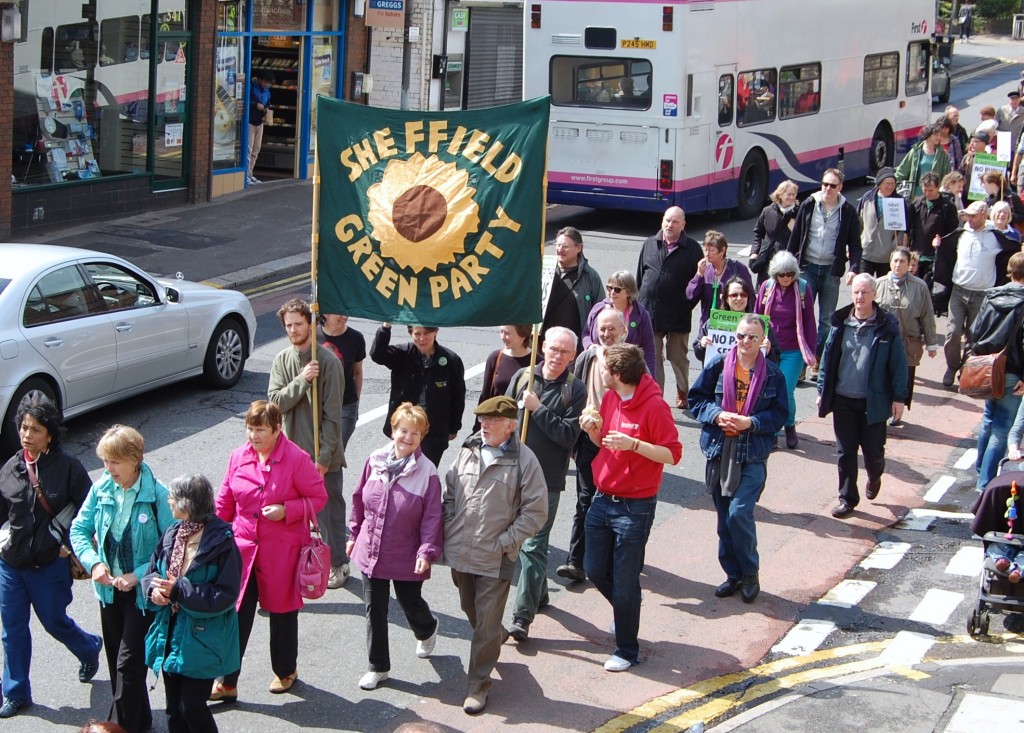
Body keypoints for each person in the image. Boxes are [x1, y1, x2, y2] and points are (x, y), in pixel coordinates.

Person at [212, 400, 327, 701]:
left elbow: (319, 497)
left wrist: (287, 510)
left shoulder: (297, 459)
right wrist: (212, 537)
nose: (253, 436)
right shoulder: (238, 456)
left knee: (282, 613)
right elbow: (225, 501)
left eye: (260, 430)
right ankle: (227, 682)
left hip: (282, 551)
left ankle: (286, 671)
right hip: (242, 550)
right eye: (250, 429)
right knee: (236, 615)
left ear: (277, 429)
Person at [579, 344, 682, 672]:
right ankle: (627, 607)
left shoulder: (654, 407)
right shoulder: (611, 398)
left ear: (619, 374)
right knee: (594, 569)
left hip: (635, 507)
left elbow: (673, 454)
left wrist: (635, 444)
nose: (601, 372)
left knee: (625, 580)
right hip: (603, 498)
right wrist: (593, 431)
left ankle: (627, 650)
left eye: (605, 368)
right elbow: (604, 442)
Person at [0, 393, 103, 720]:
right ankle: (15, 692)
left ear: (50, 435)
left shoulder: (68, 468)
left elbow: (91, 511)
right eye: (24, 427)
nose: (27, 435)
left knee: (54, 622)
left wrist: (68, 547)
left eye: (35, 429)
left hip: (49, 567)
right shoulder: (11, 468)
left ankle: (89, 647)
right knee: (12, 630)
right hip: (11, 565)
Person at [443, 396, 547, 714]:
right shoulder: (468, 449)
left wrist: (506, 541)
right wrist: (449, 526)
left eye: (491, 420)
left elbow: (536, 511)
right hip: (461, 551)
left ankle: (478, 685)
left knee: (485, 625)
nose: (484, 425)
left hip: (495, 556)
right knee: (470, 608)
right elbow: (450, 492)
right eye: (481, 419)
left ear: (510, 426)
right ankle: (497, 635)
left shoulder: (525, 460)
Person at [69, 425, 175, 732]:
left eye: (115, 461)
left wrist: (138, 575)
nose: (108, 468)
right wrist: (94, 564)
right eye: (105, 461)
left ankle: (116, 728)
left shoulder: (158, 495)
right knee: (118, 665)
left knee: (128, 666)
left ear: (135, 459)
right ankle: (139, 722)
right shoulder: (102, 488)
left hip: (143, 595)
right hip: (109, 592)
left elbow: (170, 549)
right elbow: (78, 530)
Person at [689, 314, 788, 603]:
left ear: (762, 340)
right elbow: (697, 400)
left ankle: (750, 573)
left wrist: (751, 422)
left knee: (739, 513)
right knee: (724, 521)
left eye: (752, 337)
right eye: (741, 336)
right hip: (720, 451)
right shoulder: (718, 365)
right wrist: (717, 415)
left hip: (752, 454)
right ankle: (733, 575)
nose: (745, 341)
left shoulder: (773, 375)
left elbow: (779, 414)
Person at [348, 403, 442, 691]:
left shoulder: (428, 472)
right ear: (393, 430)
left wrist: (426, 552)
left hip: (406, 553)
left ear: (422, 436)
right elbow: (358, 499)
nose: (408, 437)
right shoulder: (374, 459)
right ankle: (378, 667)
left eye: (415, 433)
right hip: (371, 548)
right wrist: (353, 534)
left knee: (409, 601)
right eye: (403, 431)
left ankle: (427, 629)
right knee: (374, 609)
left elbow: (432, 517)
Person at [143, 474, 242, 733]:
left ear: (186, 504)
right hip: (171, 632)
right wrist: (154, 591)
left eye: (173, 497)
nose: (168, 500)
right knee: (174, 711)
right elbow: (152, 572)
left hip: (203, 639)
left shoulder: (222, 542)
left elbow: (226, 595)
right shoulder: (172, 533)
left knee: (192, 707)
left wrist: (179, 591)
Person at [505, 327, 585, 642]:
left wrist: (537, 409)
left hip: (547, 479)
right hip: (514, 474)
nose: (557, 356)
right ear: (543, 348)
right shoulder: (523, 378)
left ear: (573, 356)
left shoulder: (574, 389)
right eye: (553, 349)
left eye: (564, 352)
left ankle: (521, 617)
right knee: (520, 542)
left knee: (533, 543)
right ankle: (539, 594)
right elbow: (504, 419)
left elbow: (568, 436)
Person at [268, 299, 348, 590]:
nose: (293, 330)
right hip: (290, 454)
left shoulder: (329, 363)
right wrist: (302, 380)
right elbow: (275, 404)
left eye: (298, 324)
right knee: (290, 513)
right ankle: (298, 562)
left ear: (311, 325)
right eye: (288, 325)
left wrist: (324, 459)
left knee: (328, 513)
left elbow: (332, 417)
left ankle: (338, 563)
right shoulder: (282, 360)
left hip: (320, 455)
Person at [817, 274, 908, 519]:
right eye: (856, 292)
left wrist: (899, 398)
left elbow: (898, 365)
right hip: (843, 399)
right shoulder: (840, 323)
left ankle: (875, 475)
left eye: (865, 292)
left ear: (874, 295)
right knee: (845, 452)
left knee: (872, 452)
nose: (860, 297)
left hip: (873, 402)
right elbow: (827, 358)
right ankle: (847, 498)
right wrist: (821, 391)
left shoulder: (887, 326)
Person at [557, 308, 628, 583]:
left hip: (619, 441)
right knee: (585, 499)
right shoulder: (587, 358)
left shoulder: (632, 360)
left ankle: (612, 557)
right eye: (602, 329)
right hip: (588, 438)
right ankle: (576, 561)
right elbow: (574, 390)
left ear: (624, 331)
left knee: (615, 501)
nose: (606, 334)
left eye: (612, 329)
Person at [935, 200, 1019, 387]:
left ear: (983, 215)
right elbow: (946, 248)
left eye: (973, 216)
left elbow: (1012, 251)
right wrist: (938, 244)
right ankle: (952, 365)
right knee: (953, 333)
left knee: (974, 337)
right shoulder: (961, 234)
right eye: (967, 216)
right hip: (959, 291)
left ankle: (965, 370)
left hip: (982, 295)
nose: (969, 219)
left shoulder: (995, 236)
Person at [787, 167, 862, 373]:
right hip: (807, 268)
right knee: (802, 316)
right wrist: (788, 264)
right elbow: (796, 236)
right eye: (824, 184)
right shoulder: (809, 204)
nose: (827, 189)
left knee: (827, 320)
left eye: (832, 185)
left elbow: (855, 245)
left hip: (831, 270)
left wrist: (853, 268)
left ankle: (816, 359)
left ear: (840, 187)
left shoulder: (848, 211)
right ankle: (801, 362)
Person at [371, 323, 467, 467]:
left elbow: (458, 396)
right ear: (411, 334)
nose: (422, 338)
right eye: (417, 334)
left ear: (436, 332)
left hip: (434, 433)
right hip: (405, 428)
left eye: (427, 333)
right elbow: (377, 355)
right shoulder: (402, 354)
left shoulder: (451, 360)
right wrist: (385, 328)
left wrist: (454, 427)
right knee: (402, 471)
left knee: (424, 473)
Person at [968, 252, 1024, 491]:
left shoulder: (992, 296)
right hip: (1013, 371)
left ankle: (981, 469)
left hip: (988, 367)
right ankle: (985, 483)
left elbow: (975, 330)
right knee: (1002, 428)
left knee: (988, 420)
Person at [636, 205, 702, 407]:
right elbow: (640, 277)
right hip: (651, 312)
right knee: (653, 359)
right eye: (667, 220)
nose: (670, 225)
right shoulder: (649, 243)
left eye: (675, 221)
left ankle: (683, 390)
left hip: (677, 313)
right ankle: (656, 398)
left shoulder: (693, 248)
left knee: (677, 358)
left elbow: (698, 284)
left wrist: (687, 305)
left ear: (683, 224)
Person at [755, 251, 817, 449]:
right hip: (769, 349)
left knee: (786, 391)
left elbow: (809, 321)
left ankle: (789, 425)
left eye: (790, 274)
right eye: (782, 275)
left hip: (793, 349)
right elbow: (757, 317)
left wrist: (812, 351)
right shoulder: (766, 287)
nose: (786, 278)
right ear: (775, 274)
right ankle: (773, 431)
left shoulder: (803, 288)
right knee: (769, 390)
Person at [874, 248, 939, 421]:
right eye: (895, 260)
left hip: (907, 343)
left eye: (902, 261)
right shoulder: (878, 284)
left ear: (909, 264)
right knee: (881, 377)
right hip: (882, 342)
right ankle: (882, 409)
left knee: (903, 379)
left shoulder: (920, 287)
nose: (898, 265)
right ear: (890, 262)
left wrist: (931, 343)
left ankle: (898, 411)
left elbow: (927, 315)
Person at [543, 226, 604, 351]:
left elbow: (600, 312)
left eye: (565, 246)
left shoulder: (590, 276)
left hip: (574, 347)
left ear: (579, 248)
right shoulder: (544, 270)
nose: (560, 249)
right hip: (544, 345)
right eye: (558, 245)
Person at [583, 270, 657, 374]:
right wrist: (590, 346)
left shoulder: (641, 314)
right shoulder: (598, 310)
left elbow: (649, 348)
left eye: (617, 289)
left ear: (628, 292)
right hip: (599, 368)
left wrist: (650, 377)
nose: (612, 292)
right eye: (609, 288)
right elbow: (586, 332)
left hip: (629, 372)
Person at [686, 230, 754, 334]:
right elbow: (690, 296)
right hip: (709, 327)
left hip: (733, 325)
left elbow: (751, 298)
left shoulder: (738, 268)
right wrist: (699, 275)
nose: (707, 254)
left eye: (711, 250)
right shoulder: (705, 270)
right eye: (705, 250)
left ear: (722, 250)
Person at [320, 313, 366, 450]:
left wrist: (356, 402)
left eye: (345, 312)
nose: (344, 317)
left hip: (346, 405)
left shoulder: (356, 338)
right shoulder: (311, 334)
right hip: (318, 405)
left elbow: (357, 372)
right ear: (325, 313)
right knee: (316, 452)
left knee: (336, 452)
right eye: (339, 313)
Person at [857, 167, 912, 277]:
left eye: (893, 184)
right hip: (866, 253)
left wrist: (898, 247)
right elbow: (857, 224)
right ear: (879, 184)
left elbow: (905, 229)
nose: (891, 187)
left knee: (885, 287)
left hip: (888, 256)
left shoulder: (899, 202)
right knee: (865, 284)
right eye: (888, 184)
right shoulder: (867, 198)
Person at [910, 171, 960, 292]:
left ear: (938, 187)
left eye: (931, 190)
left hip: (934, 258)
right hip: (917, 257)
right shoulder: (916, 204)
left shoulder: (948, 207)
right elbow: (909, 228)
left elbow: (953, 234)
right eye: (925, 190)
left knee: (927, 291)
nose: (927, 193)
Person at [750, 180, 799, 287]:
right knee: (767, 292)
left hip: (789, 263)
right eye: (789, 194)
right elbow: (758, 233)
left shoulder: (799, 213)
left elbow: (803, 238)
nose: (792, 197)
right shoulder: (768, 211)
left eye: (794, 194)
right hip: (769, 261)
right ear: (780, 195)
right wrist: (754, 252)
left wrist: (794, 229)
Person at [895, 122, 952, 200]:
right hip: (916, 195)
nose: (939, 138)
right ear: (929, 135)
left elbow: (947, 176)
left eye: (940, 135)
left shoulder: (943, 155)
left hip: (933, 195)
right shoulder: (915, 151)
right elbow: (902, 171)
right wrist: (892, 183)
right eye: (936, 135)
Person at [479, 325, 533, 405]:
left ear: (523, 335)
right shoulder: (495, 357)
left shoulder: (537, 362)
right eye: (501, 332)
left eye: (507, 333)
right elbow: (485, 396)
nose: (503, 337)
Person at [247, 69, 272, 185]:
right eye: (265, 82)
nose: (267, 84)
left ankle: (250, 173)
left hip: (260, 123)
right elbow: (246, 101)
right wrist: (255, 105)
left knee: (256, 150)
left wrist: (266, 112)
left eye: (269, 83)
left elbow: (268, 105)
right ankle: (245, 174)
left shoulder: (267, 92)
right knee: (248, 149)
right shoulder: (252, 88)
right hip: (250, 122)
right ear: (260, 80)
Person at [981, 170, 1024, 235]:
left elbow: (1022, 216)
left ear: (992, 184)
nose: (982, 185)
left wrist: (1006, 214)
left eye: (983, 183)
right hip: (992, 233)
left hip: (1010, 233)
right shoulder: (988, 199)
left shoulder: (1012, 197)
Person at [998, 89, 1024, 155]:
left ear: (1020, 99)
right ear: (1008, 100)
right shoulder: (1002, 110)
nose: (1014, 101)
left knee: (1016, 160)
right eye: (1012, 99)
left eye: (1016, 99)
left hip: (1018, 143)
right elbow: (995, 125)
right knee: (1003, 160)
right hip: (1003, 143)